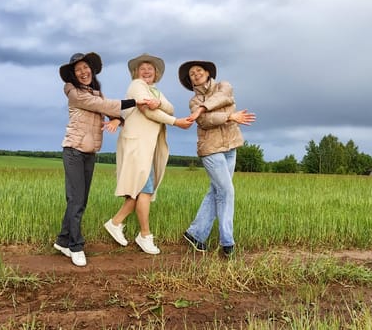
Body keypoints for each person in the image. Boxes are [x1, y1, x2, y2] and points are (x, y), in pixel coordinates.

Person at [54, 52, 154, 267]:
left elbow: (110, 112)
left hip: (89, 153)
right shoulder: (73, 92)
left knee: (79, 199)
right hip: (73, 150)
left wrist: (117, 120)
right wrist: (134, 102)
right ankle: (76, 246)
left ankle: (62, 241)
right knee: (76, 200)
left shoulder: (96, 94)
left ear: (92, 69)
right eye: (78, 69)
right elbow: (104, 106)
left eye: (85, 67)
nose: (83, 72)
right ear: (73, 74)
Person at [103, 53, 193, 254]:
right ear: (136, 72)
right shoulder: (136, 86)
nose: (146, 71)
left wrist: (158, 103)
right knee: (145, 188)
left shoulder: (155, 91)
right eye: (142, 68)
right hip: (137, 145)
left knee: (140, 189)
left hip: (146, 146)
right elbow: (147, 112)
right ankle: (144, 235)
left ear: (156, 74)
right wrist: (176, 122)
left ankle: (116, 223)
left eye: (150, 69)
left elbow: (170, 107)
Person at [178, 60, 256, 256]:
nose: (195, 74)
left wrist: (202, 109)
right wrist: (229, 117)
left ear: (207, 72)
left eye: (198, 70)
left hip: (231, 146)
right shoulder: (193, 102)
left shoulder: (224, 86)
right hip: (211, 149)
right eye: (191, 74)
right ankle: (227, 241)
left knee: (216, 192)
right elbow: (205, 122)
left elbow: (222, 97)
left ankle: (195, 233)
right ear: (190, 81)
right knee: (227, 192)